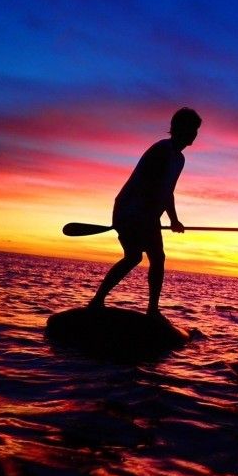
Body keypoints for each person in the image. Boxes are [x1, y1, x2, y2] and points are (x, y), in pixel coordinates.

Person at [88, 107, 201, 320]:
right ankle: (145, 309)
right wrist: (163, 219)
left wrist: (171, 219)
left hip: (147, 216)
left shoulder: (179, 159)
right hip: (131, 211)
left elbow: (168, 191)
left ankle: (104, 301)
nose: (195, 134)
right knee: (150, 258)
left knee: (137, 257)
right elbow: (155, 188)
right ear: (179, 129)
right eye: (193, 129)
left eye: (196, 130)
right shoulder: (162, 150)